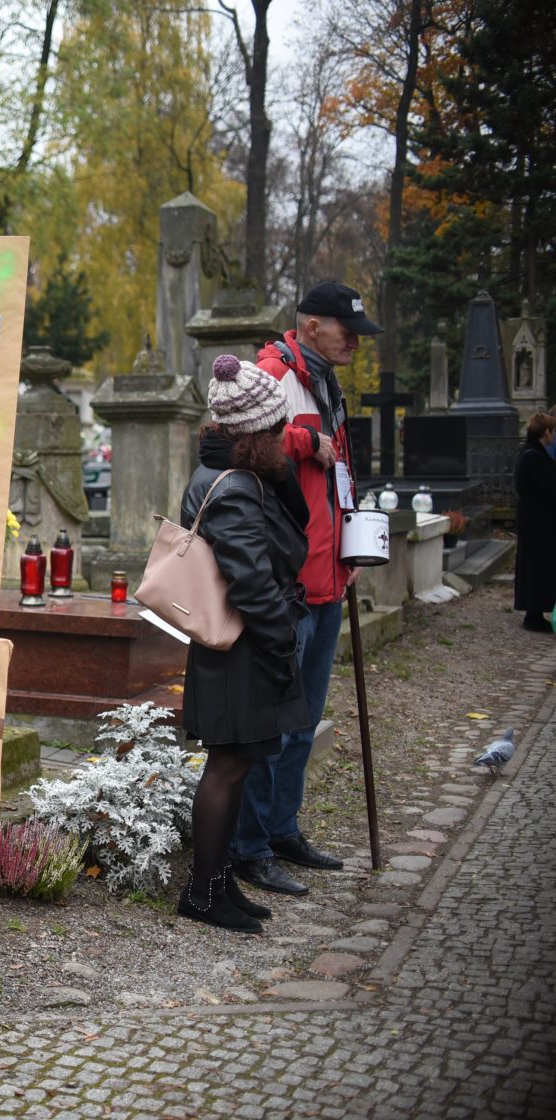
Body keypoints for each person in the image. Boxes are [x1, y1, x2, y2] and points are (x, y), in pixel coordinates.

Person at [232, 280, 379, 897]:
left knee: (304, 721)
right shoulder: (273, 372)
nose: (356, 343)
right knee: (274, 724)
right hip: (290, 583)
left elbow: (334, 475)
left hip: (328, 577)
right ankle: (250, 846)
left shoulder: (326, 382)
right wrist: (306, 441)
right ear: (313, 325)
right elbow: (242, 437)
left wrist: (352, 543)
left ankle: (283, 828)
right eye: (348, 331)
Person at [178, 356, 312, 932]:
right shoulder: (232, 488)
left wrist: (280, 473)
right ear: (254, 433)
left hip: (244, 645)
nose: (283, 437)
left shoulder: (242, 474)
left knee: (236, 764)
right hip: (241, 648)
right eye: (276, 429)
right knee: (227, 767)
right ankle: (202, 892)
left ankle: (217, 880)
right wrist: (282, 648)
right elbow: (253, 584)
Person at [513, 412, 556, 632]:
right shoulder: (535, 456)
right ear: (545, 432)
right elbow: (548, 487)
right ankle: (534, 614)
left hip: (533, 517)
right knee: (536, 566)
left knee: (534, 565)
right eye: (553, 432)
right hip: (538, 519)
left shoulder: (530, 452)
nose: (553, 436)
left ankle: (535, 611)